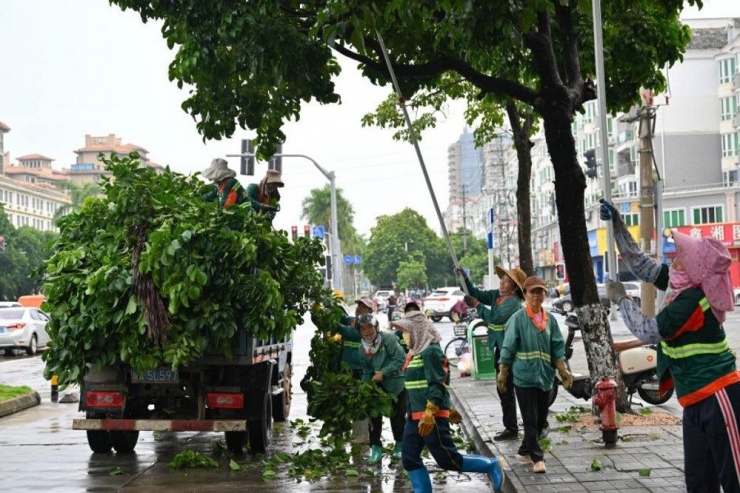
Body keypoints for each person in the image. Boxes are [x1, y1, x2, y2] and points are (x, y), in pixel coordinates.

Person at [600, 199, 740, 492]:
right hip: (693, 400)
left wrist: (622, 299)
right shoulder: (683, 285)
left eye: (680, 258)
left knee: (734, 480)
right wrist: (618, 227)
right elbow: (642, 264)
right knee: (699, 482)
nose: (674, 260)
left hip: (719, 396)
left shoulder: (692, 301)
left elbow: (649, 331)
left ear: (694, 269)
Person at [391, 313, 505, 493]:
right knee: (410, 458)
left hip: (431, 417)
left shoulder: (431, 351)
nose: (404, 336)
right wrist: (447, 408)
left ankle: (491, 465)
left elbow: (438, 383)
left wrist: (432, 412)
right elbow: (421, 387)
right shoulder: (415, 353)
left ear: (418, 332)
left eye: (406, 332)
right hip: (415, 416)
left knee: (448, 460)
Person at [498, 276, 572, 474]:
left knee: (540, 421)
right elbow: (508, 346)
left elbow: (557, 347)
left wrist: (562, 369)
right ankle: (537, 458)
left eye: (540, 292)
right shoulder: (517, 319)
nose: (536, 296)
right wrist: (503, 371)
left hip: (545, 377)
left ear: (544, 294)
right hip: (523, 376)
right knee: (530, 419)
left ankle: (524, 451)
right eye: (532, 292)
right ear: (525, 294)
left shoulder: (550, 320)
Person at [457, 265, 527, 441]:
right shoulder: (498, 296)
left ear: (515, 287)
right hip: (500, 348)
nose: (502, 282)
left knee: (508, 389)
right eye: (502, 278)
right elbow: (477, 294)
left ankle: (515, 427)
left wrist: (477, 305)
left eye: (508, 281)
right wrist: (464, 279)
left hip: (511, 352)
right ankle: (511, 426)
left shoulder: (513, 303)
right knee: (503, 389)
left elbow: (494, 318)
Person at [356, 313, 408, 463]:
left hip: (395, 385)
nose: (367, 331)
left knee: (397, 418)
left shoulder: (389, 339)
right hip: (376, 388)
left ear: (376, 327)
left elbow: (400, 359)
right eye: (363, 329)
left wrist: (383, 372)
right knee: (374, 419)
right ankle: (376, 448)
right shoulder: (362, 349)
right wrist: (364, 387)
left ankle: (399, 445)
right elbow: (366, 370)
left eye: (370, 327)